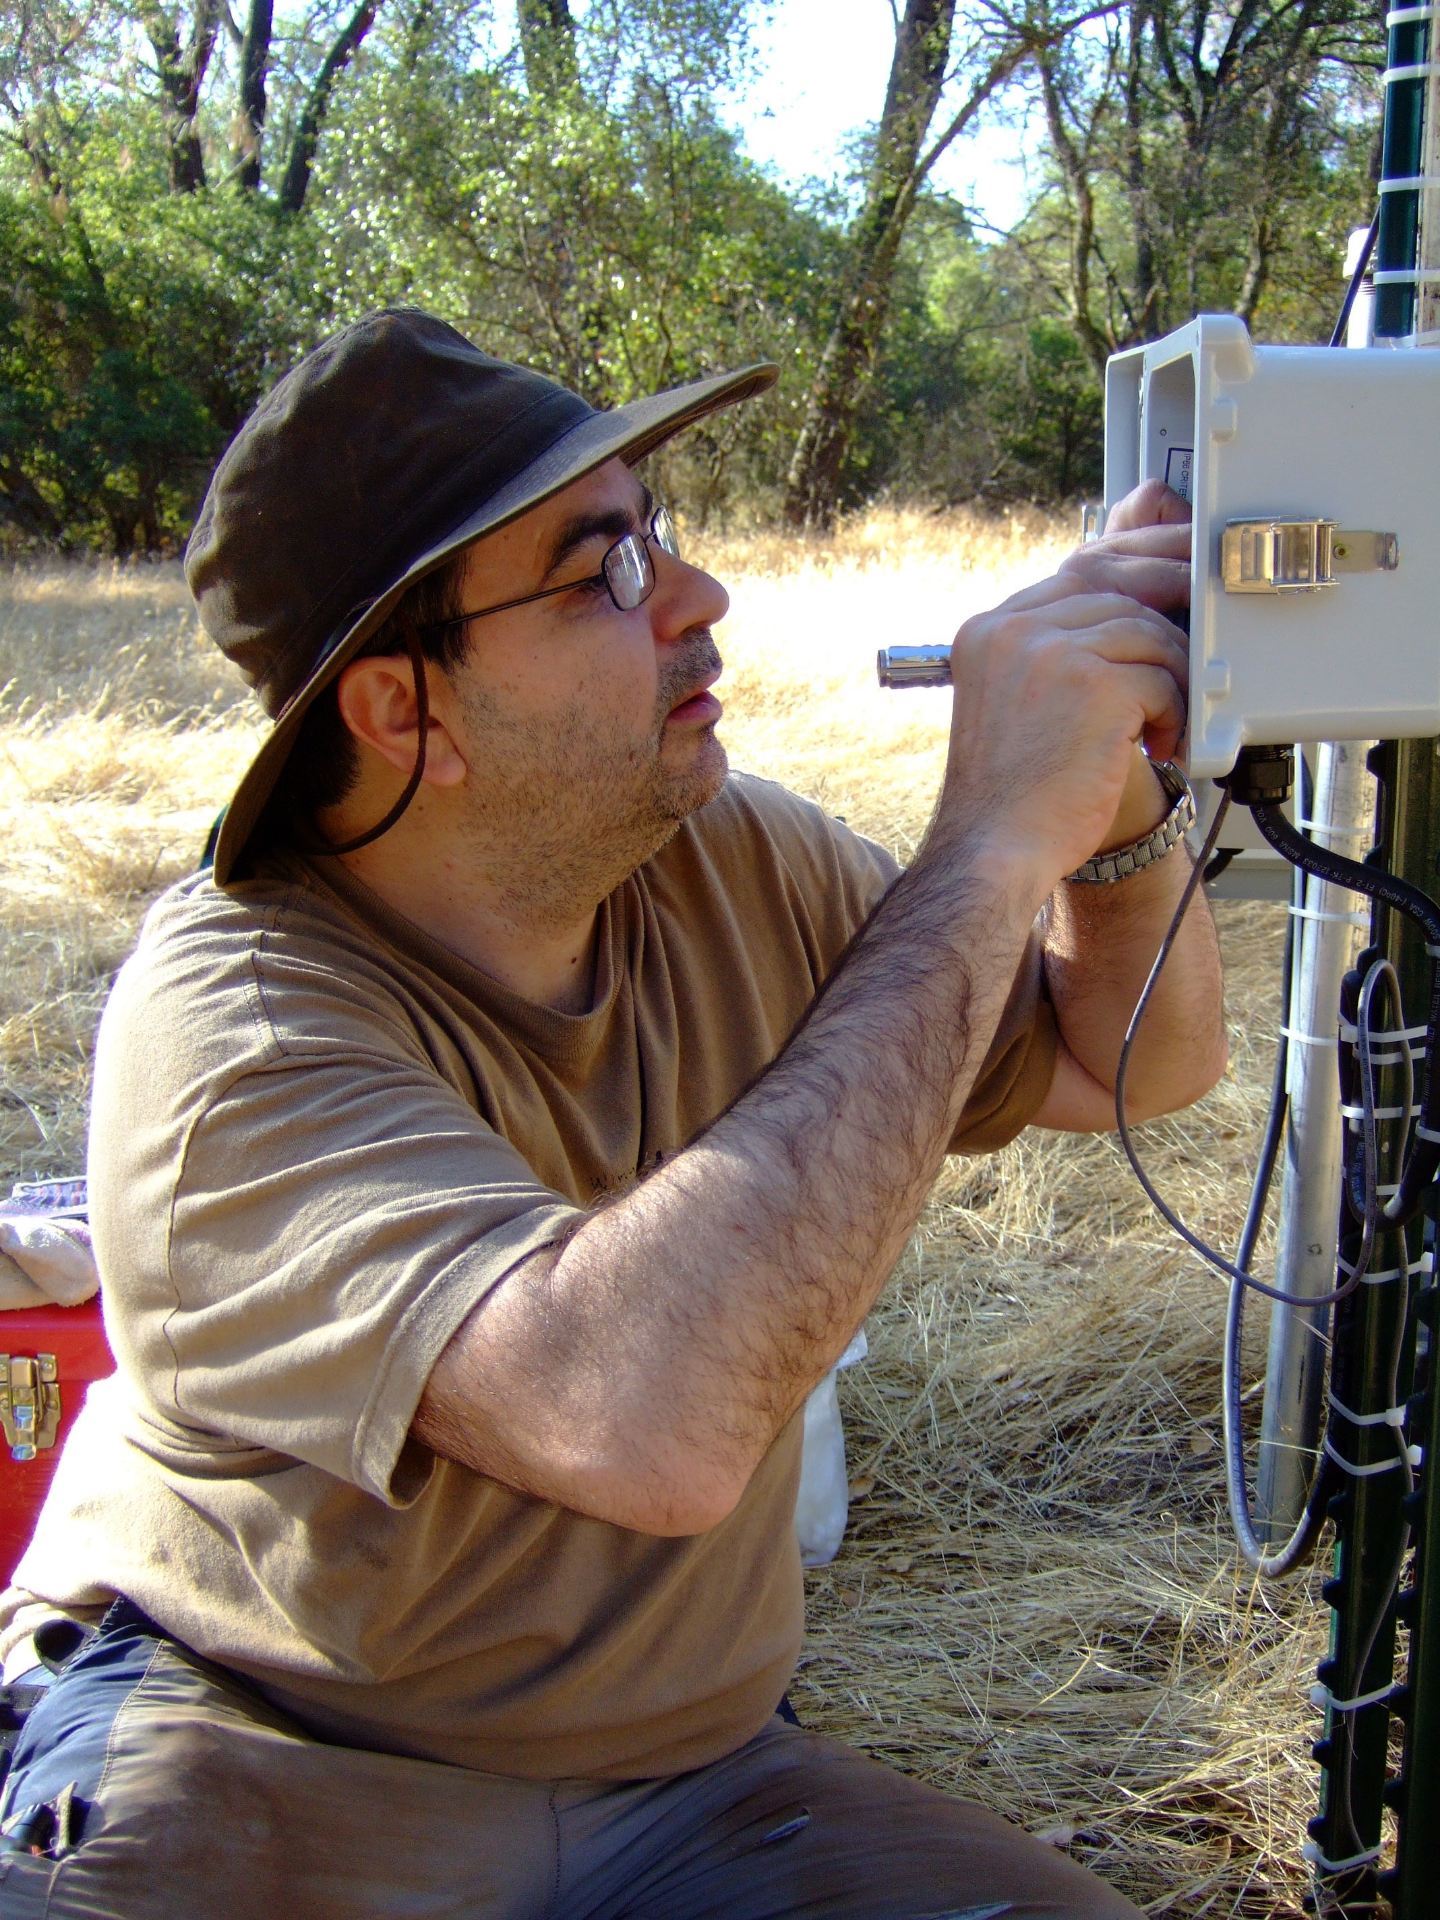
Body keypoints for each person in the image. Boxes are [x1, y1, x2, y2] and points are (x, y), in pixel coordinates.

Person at [0, 309, 1224, 1919]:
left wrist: (1110, 811)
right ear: (402, 713)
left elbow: (1120, 1065)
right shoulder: (239, 1026)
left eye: (662, 531)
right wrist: (991, 842)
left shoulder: (725, 855)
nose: (698, 597)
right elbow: (641, 1426)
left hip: (694, 1780)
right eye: (606, 571)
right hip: (269, 1757)